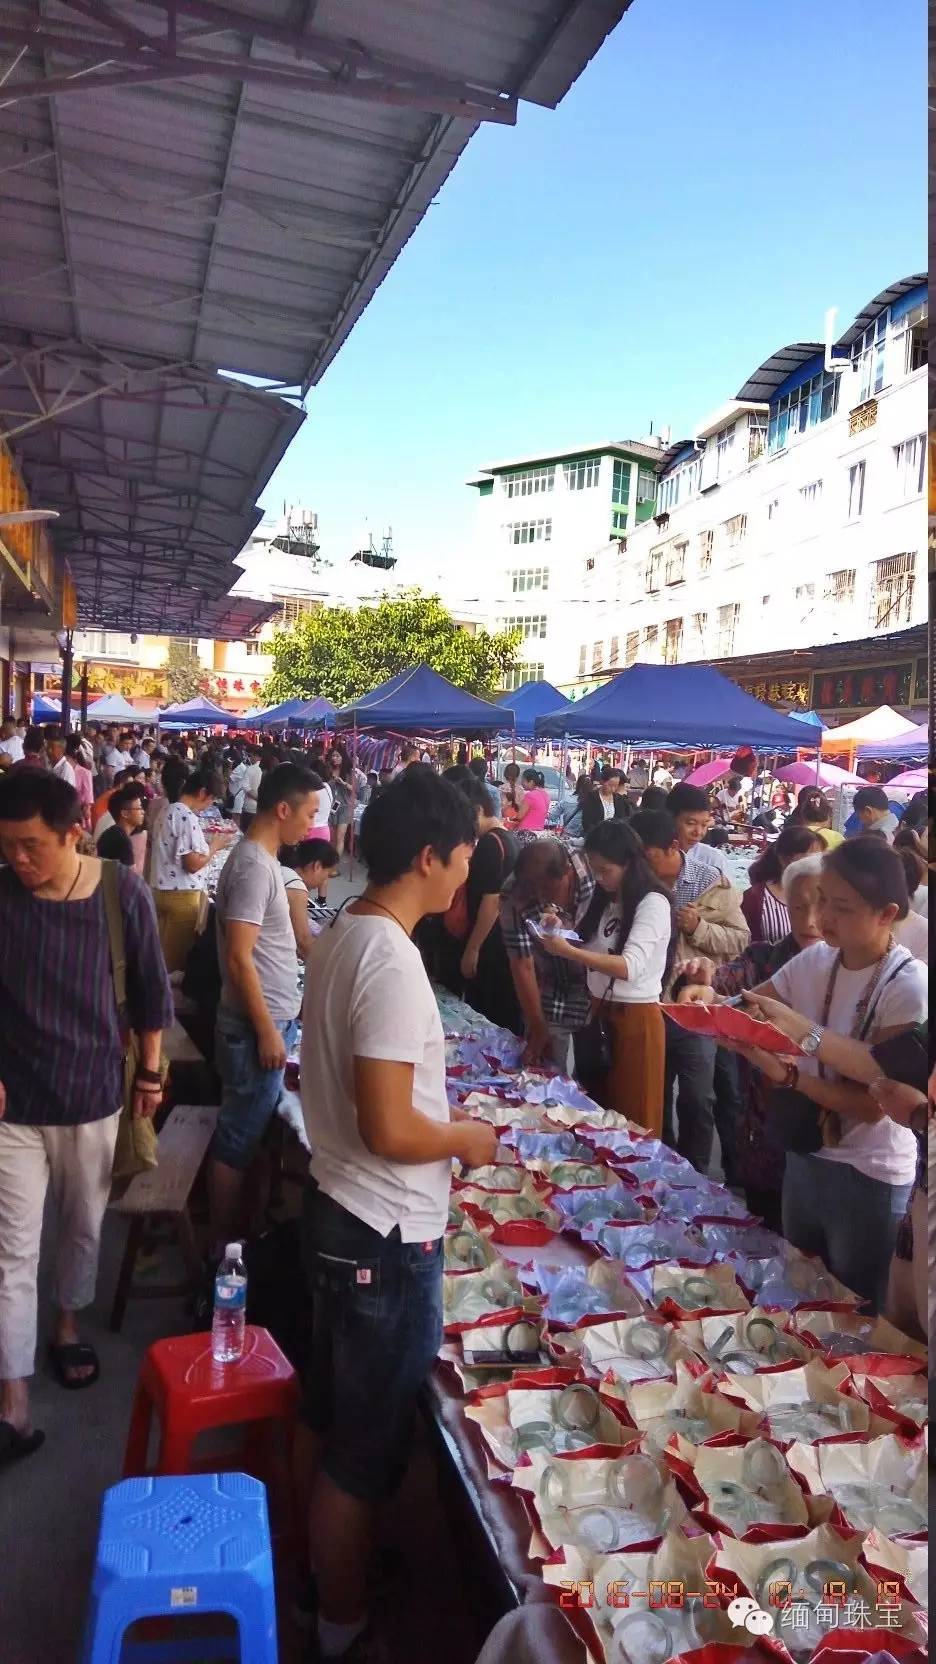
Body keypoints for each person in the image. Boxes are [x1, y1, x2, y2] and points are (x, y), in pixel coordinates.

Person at [297, 767, 494, 1663]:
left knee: (336, 1419)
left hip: (343, 1212)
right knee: (364, 1449)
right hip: (379, 1231)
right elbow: (388, 1124)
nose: (467, 872)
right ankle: (341, 1623)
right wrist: (466, 1138)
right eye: (463, 856)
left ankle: (328, 1575)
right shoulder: (388, 957)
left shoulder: (348, 931)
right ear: (428, 856)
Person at [0, 771, 172, 1463]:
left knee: (79, 1225)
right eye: (7, 845)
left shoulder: (117, 891)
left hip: (95, 1092)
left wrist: (153, 1074)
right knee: (12, 1251)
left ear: (73, 831)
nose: (17, 859)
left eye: (30, 845)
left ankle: (66, 1324)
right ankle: (13, 1398)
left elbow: (152, 990)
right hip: (16, 1106)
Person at [729, 838, 928, 1311]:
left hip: (869, 1173)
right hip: (807, 1153)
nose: (821, 919)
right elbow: (751, 1005)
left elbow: (873, 1102)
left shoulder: (909, 986)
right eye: (820, 900)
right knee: (800, 1291)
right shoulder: (819, 959)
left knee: (855, 1311)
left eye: (841, 906)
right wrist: (704, 998)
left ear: (887, 914)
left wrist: (793, 1065)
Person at [676, 853, 826, 1230]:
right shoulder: (766, 957)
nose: (809, 920)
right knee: (766, 1231)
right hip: (765, 1122)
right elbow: (727, 983)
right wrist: (703, 979)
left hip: (830, 1131)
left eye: (822, 905)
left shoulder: (850, 970)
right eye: (798, 906)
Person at [208, 764, 321, 1250]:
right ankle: (222, 1247)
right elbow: (239, 955)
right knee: (237, 1137)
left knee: (250, 1131)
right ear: (282, 809)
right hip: (254, 1028)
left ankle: (241, 1230)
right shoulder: (255, 865)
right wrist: (268, 1030)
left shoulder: (261, 860)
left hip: (264, 1023)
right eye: (310, 814)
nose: (313, 826)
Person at [630, 808, 749, 1175]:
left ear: (670, 847)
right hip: (651, 1004)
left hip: (697, 1010)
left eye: (645, 855)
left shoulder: (711, 883)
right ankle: (660, 1170)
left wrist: (698, 928)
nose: (639, 864)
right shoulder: (635, 884)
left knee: (698, 1099)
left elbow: (740, 941)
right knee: (655, 1094)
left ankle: (696, 1176)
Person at [537, 821, 672, 1134]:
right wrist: (559, 927)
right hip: (599, 1013)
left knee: (633, 1121)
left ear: (629, 863)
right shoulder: (607, 899)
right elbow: (586, 941)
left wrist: (569, 953)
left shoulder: (653, 903)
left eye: (605, 870)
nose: (599, 878)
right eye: (594, 870)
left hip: (634, 1019)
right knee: (599, 1113)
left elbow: (629, 966)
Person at [500, 838, 595, 1071]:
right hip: (552, 992)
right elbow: (522, 963)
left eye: (548, 889)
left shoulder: (595, 869)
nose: (541, 898)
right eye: (533, 889)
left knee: (599, 1074)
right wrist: (538, 1025)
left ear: (568, 873)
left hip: (601, 991)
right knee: (550, 1069)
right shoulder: (513, 893)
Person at [453, 774, 520, 1034]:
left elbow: (491, 902)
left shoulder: (491, 845)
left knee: (488, 1018)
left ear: (479, 810)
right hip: (500, 944)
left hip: (491, 946)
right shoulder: (507, 839)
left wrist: (472, 949)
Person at [149, 765, 228, 972]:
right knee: (175, 961)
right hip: (181, 896)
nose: (209, 804)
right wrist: (214, 847)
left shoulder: (168, 809)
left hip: (162, 889)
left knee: (162, 953)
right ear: (202, 793)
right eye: (211, 799)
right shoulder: (185, 816)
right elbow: (192, 864)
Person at [742, 823, 825, 944]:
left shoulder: (828, 895)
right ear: (784, 859)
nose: (809, 922)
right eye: (798, 907)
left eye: (820, 856)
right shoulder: (755, 898)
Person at [280, 837, 340, 959]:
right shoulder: (296, 887)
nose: (324, 880)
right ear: (317, 866)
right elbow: (303, 942)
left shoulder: (284, 871)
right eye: (327, 874)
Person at [666, 782, 731, 877]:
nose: (698, 832)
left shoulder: (714, 860)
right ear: (671, 818)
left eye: (704, 825)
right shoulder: (653, 857)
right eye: (691, 823)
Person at [96, 781, 149, 872]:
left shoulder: (112, 833)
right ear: (125, 813)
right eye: (139, 808)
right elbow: (131, 880)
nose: (143, 812)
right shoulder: (122, 841)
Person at [581, 766, 629, 835]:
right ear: (602, 781)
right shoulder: (592, 797)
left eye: (615, 786)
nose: (613, 789)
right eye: (610, 785)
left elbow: (621, 819)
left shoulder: (619, 799)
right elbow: (587, 822)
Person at [65, 733, 94, 828]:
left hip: (78, 816)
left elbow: (88, 801)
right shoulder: (58, 769)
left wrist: (86, 809)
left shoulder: (84, 772)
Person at [512, 768, 550, 840]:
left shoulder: (530, 795)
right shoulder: (546, 794)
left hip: (525, 833)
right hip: (539, 832)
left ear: (531, 782)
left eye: (523, 781)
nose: (522, 783)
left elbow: (519, 816)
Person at [239, 743, 263, 832]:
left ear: (256, 756)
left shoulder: (250, 769)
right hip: (261, 810)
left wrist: (256, 797)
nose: (250, 758)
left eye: (251, 755)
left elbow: (245, 787)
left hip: (249, 808)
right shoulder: (268, 769)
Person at [499, 761, 525, 830]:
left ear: (505, 775)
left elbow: (500, 808)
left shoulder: (501, 789)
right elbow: (522, 808)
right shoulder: (521, 790)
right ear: (517, 776)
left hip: (504, 823)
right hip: (517, 823)